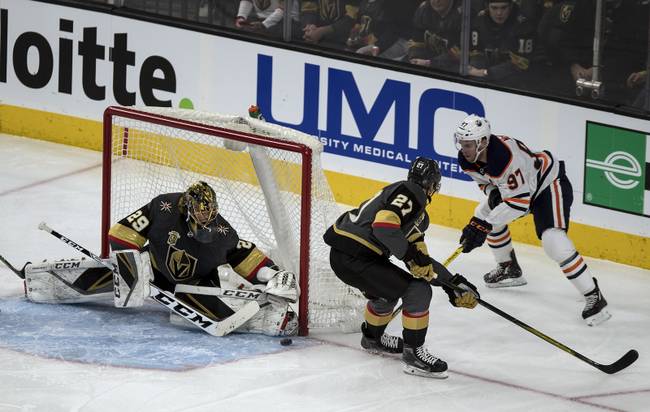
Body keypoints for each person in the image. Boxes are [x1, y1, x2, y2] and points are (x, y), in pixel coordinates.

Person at [24, 181, 300, 337]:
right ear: (187, 208)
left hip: (194, 285)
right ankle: (45, 281)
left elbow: (248, 257)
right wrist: (131, 267)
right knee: (118, 277)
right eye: (201, 216)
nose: (206, 221)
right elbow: (122, 232)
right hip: (152, 270)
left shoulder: (224, 233)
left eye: (210, 216)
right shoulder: (164, 207)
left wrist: (274, 275)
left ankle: (274, 320)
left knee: (217, 316)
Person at [323, 156, 480, 379]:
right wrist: (411, 256)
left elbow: (422, 259)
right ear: (432, 184)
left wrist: (451, 283)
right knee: (417, 290)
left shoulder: (405, 205)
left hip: (345, 256)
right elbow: (384, 226)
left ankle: (372, 338)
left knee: (387, 291)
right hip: (356, 256)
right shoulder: (412, 193)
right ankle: (414, 354)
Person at [454, 114, 611, 326]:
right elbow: (486, 183)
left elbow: (520, 204)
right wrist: (491, 195)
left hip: (548, 184)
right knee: (482, 214)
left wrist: (484, 225)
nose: (463, 148)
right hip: (521, 189)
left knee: (553, 241)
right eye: (461, 143)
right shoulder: (466, 158)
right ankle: (509, 268)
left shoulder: (504, 156)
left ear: (482, 142)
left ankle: (594, 295)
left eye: (468, 144)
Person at [467, 0, 538, 89]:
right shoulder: (480, 20)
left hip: (522, 79)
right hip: (489, 72)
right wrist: (474, 69)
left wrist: (485, 73)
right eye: (494, 8)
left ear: (511, 6)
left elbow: (521, 64)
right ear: (487, 6)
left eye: (504, 8)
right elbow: (477, 52)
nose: (499, 13)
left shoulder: (524, 25)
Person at [408, 0, 463, 73]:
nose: (436, 1)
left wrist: (430, 63)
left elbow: (459, 54)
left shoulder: (464, 15)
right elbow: (417, 40)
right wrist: (415, 58)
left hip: (453, 67)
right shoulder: (424, 9)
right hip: (427, 59)